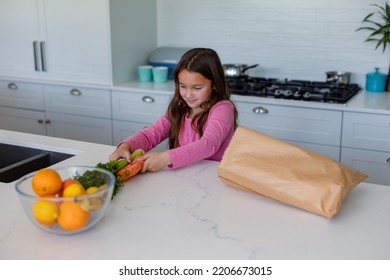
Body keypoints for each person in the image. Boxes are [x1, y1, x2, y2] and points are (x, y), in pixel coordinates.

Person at [109, 48, 238, 172]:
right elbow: (150, 135)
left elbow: (209, 144)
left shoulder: (223, 109)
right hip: (185, 175)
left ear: (214, 84)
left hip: (213, 177)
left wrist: (166, 157)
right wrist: (126, 146)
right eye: (183, 86)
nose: (188, 94)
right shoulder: (180, 108)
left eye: (197, 88)